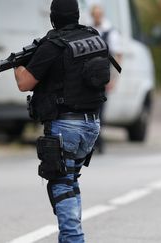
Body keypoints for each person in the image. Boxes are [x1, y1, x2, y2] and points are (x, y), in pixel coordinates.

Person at [14, 0, 111, 241]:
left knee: (62, 184)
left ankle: (73, 238)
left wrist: (18, 65)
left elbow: (24, 83)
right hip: (91, 124)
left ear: (52, 17)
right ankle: (70, 237)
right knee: (70, 181)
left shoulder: (52, 45)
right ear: (77, 15)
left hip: (65, 126)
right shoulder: (93, 38)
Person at [90, 4, 123, 154]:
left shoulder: (110, 32)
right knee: (91, 108)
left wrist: (114, 78)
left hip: (103, 75)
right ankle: (94, 140)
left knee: (100, 109)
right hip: (89, 75)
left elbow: (117, 56)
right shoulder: (89, 30)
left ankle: (98, 139)